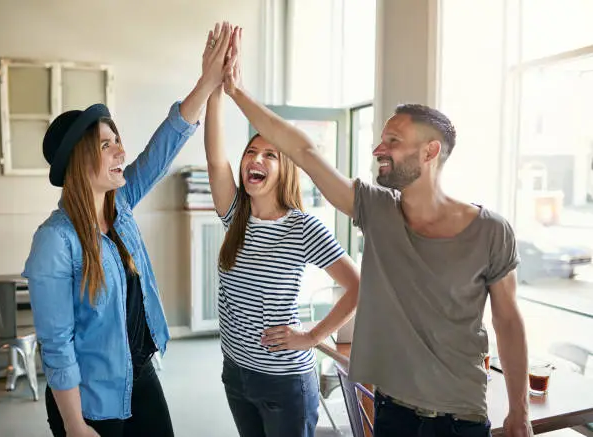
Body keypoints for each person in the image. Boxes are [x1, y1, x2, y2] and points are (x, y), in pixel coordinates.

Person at [221, 27, 534, 437]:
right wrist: (235, 92)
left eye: (393, 140)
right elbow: (304, 151)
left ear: (430, 151)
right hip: (391, 410)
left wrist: (519, 410)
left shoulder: (492, 231)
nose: (377, 149)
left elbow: (508, 321)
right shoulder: (376, 209)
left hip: (460, 416)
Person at [22, 22, 234, 437]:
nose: (121, 150)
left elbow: (160, 150)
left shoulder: (120, 207)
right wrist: (74, 425)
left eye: (116, 140)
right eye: (106, 144)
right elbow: (57, 345)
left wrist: (207, 84)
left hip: (139, 374)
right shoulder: (55, 241)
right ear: (80, 163)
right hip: (89, 398)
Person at [204, 25, 360, 437]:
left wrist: (311, 336)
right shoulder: (235, 213)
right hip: (235, 373)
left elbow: (360, 286)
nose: (256, 159)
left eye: (270, 154)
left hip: (284, 382)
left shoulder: (304, 227)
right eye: (251, 152)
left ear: (284, 168)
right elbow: (214, 156)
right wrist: (215, 83)